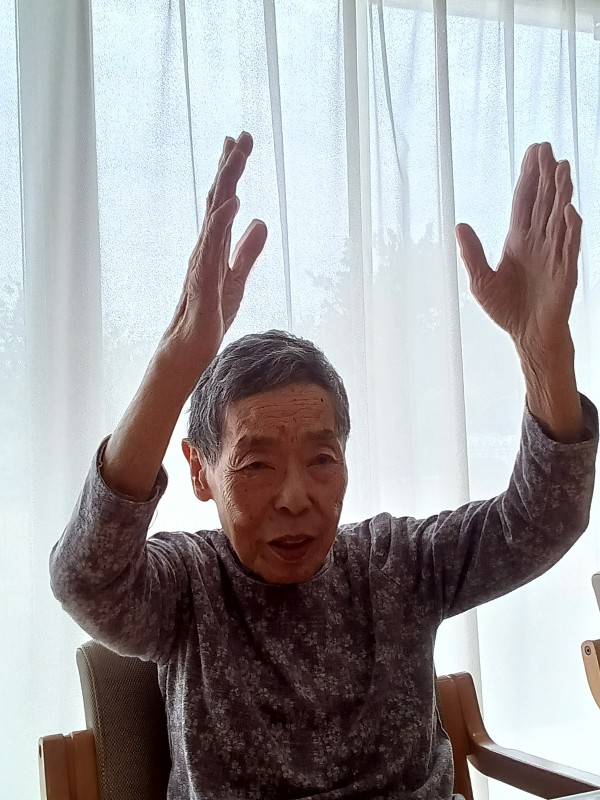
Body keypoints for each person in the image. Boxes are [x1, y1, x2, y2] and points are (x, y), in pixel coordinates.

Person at [50, 132, 598, 800]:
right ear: (200, 471)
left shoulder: (397, 564)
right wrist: (178, 359)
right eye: (256, 465)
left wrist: (544, 350)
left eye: (321, 459)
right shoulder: (187, 587)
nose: (295, 497)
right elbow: (86, 577)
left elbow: (542, 521)